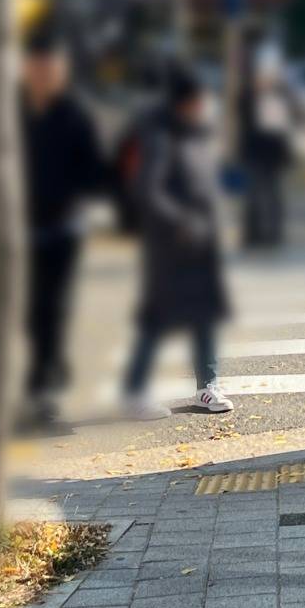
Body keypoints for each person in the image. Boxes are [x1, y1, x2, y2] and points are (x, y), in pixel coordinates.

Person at [120, 62, 233, 419]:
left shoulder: (197, 133)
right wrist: (180, 222)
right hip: (169, 243)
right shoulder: (160, 136)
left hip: (201, 240)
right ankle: (135, 392)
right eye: (198, 99)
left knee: (205, 314)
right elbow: (148, 190)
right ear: (182, 101)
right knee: (157, 316)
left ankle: (207, 387)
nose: (204, 105)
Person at [20, 25, 106, 423]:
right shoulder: (13, 112)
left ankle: (42, 384)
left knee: (51, 306)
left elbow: (94, 170)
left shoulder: (75, 116)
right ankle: (49, 365)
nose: (44, 73)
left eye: (51, 67)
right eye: (37, 66)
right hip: (20, 228)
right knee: (32, 309)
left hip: (62, 228)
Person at [239, 48, 295, 248]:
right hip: (254, 150)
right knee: (253, 193)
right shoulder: (247, 96)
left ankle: (274, 234)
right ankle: (252, 235)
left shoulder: (282, 95)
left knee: (273, 193)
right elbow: (243, 123)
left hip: (274, 151)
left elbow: (289, 122)